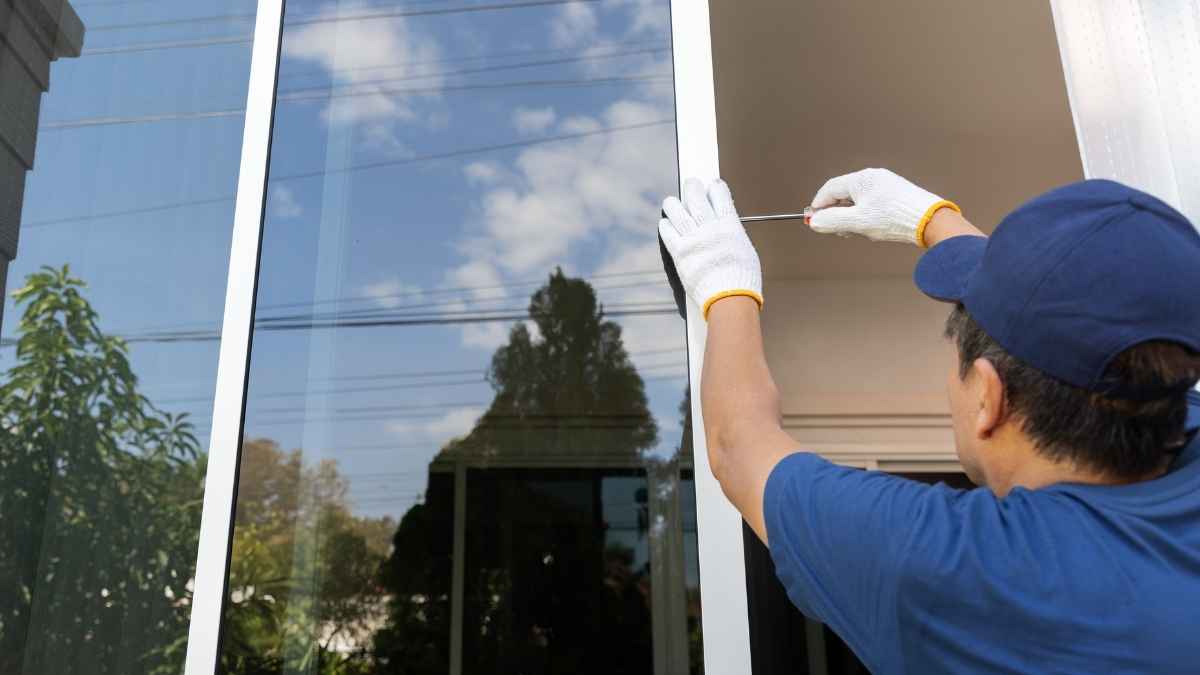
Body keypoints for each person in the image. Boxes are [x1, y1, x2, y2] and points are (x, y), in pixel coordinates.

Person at [657, 168, 1200, 673]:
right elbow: (1088, 320)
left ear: (988, 398)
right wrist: (933, 219)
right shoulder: (1169, 411)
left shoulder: (958, 570)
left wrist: (726, 287)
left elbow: (738, 444)